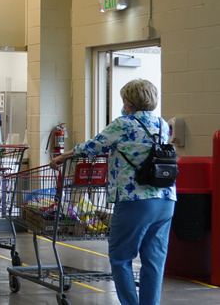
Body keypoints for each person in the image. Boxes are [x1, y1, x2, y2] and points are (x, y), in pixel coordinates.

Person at [50, 79, 176, 305]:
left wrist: (64, 155)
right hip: (165, 199)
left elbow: (93, 146)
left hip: (134, 200)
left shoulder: (123, 124)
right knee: (154, 261)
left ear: (128, 101)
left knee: (120, 258)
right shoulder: (162, 124)